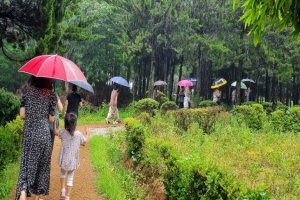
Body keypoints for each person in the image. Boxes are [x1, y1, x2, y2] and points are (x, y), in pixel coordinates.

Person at [16, 76, 57, 200]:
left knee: (26, 166)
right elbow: (51, 119)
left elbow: (22, 115)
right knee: (43, 166)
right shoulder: (51, 95)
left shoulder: (27, 92)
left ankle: (23, 192)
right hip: (44, 135)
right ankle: (38, 196)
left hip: (30, 134)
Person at [53, 113, 89, 200]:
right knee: (70, 178)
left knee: (62, 173)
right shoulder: (78, 134)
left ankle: (62, 189)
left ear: (66, 123)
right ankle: (67, 197)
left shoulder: (63, 132)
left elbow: (55, 132)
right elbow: (84, 142)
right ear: (75, 124)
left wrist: (54, 123)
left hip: (64, 160)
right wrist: (87, 133)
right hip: (73, 161)